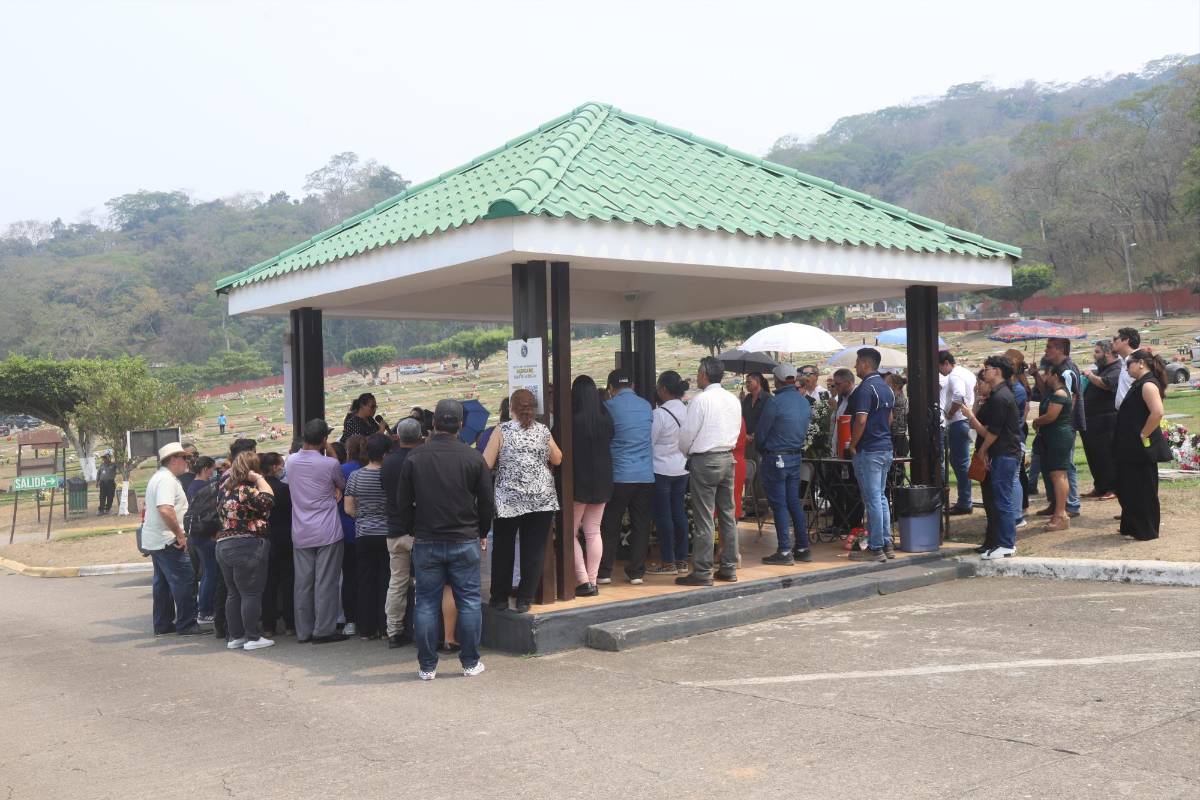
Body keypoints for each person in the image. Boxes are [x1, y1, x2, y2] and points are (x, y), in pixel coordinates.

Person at [397, 399, 494, 680]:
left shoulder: (415, 457)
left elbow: (402, 503)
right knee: (469, 601)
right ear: (461, 425)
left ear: (434, 424)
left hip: (427, 539)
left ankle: (427, 666)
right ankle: (470, 662)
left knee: (426, 603)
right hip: (465, 538)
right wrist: (482, 532)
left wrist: (413, 529)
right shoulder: (473, 457)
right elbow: (487, 502)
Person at [483, 389, 563, 613]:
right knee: (534, 549)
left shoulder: (502, 430)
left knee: (504, 548)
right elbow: (557, 458)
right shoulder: (542, 430)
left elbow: (486, 463)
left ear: (511, 408)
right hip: (541, 499)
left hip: (508, 499)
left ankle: (499, 598)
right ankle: (524, 599)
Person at [676, 356, 742, 585]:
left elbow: (686, 435)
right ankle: (729, 566)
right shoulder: (732, 399)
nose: (696, 376)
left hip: (705, 459)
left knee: (704, 517)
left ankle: (702, 571)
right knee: (727, 516)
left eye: (698, 372)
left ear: (704, 375)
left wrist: (688, 454)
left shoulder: (701, 400)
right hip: (727, 457)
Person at [288, 419, 348, 644]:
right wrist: (330, 449)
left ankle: (303, 631)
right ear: (324, 439)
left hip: (301, 530)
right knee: (326, 582)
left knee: (303, 584)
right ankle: (323, 630)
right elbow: (341, 483)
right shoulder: (329, 464)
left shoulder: (291, 462)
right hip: (327, 530)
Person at [141, 442, 205, 637]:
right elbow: (165, 509)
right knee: (184, 581)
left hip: (158, 539)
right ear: (173, 459)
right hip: (168, 539)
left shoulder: (160, 477)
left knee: (163, 585)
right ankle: (187, 623)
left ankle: (163, 624)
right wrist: (179, 534)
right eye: (184, 458)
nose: (187, 462)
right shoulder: (166, 480)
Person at [215, 450, 276, 650]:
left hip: (223, 544)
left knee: (233, 593)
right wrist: (258, 478)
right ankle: (253, 637)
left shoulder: (224, 489)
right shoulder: (247, 490)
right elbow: (268, 500)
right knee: (250, 592)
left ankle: (236, 636)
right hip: (246, 544)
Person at [598, 370, 654, 586]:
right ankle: (637, 572)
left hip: (619, 475)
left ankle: (605, 571)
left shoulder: (608, 407)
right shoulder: (646, 406)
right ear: (632, 385)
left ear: (611, 388)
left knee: (610, 523)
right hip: (645, 475)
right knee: (641, 524)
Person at [963, 356, 1022, 559]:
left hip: (1004, 453)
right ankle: (1002, 542)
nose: (985, 371)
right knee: (999, 500)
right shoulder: (999, 395)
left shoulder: (1001, 397)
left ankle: (1006, 544)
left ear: (997, 371)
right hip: (1002, 453)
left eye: (987, 368)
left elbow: (993, 432)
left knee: (1003, 501)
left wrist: (982, 450)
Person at [756, 363, 813, 565]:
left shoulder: (774, 402)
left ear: (777, 380)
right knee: (793, 502)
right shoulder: (803, 401)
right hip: (795, 456)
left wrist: (763, 449)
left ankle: (784, 550)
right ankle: (803, 547)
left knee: (779, 504)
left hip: (776, 457)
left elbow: (761, 434)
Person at [847, 348, 896, 563]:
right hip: (885, 447)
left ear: (866, 364)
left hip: (869, 449)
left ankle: (876, 547)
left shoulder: (865, 389)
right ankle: (886, 543)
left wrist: (853, 444)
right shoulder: (887, 388)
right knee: (881, 497)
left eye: (858, 363)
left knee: (873, 498)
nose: (855, 366)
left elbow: (860, 420)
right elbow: (890, 419)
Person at [1113, 349, 1168, 541]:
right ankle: (1132, 526)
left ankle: (1145, 529)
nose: (1127, 368)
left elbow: (1157, 412)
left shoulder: (1148, 385)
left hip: (1140, 446)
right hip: (1129, 446)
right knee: (1129, 486)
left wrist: (1143, 433)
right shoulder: (1139, 383)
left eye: (1129, 364)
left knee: (1142, 488)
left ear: (1141, 363)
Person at [345, 433, 393, 639]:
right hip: (387, 532)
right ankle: (385, 628)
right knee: (386, 580)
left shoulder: (356, 476)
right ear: (386, 453)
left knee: (365, 581)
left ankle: (366, 629)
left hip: (364, 533)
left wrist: (363, 516)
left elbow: (348, 508)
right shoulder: (390, 475)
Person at [570, 375, 614, 594]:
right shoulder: (605, 418)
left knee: (570, 533)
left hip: (578, 482)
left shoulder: (571, 420)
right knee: (593, 531)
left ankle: (583, 581)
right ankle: (594, 581)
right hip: (603, 480)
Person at [380, 418, 422, 647]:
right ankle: (420, 628)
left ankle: (394, 630)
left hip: (394, 530)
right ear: (419, 436)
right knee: (423, 581)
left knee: (397, 582)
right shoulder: (421, 458)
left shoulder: (388, 462)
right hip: (418, 530)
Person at [1035, 337, 1085, 520]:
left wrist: (1062, 420)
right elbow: (1044, 393)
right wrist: (1036, 375)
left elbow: (1071, 398)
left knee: (1064, 467)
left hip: (1063, 425)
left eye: (1049, 347)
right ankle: (1056, 503)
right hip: (1054, 427)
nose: (1046, 350)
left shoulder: (1068, 369)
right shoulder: (1054, 369)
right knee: (1052, 467)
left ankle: (1070, 504)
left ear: (1061, 349)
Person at [649, 371, 689, 576]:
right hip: (682, 468)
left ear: (663, 389)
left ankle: (667, 562)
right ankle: (682, 559)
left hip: (661, 470)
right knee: (679, 514)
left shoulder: (659, 414)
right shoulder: (687, 410)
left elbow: (650, 442)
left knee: (664, 516)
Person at [1031, 363, 1074, 531]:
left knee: (1059, 475)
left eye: (1046, 374)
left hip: (1058, 437)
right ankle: (1059, 512)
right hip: (1053, 437)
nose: (1044, 377)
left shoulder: (1060, 394)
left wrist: (1036, 421)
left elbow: (1051, 416)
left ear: (1055, 375)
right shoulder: (1054, 393)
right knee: (1057, 474)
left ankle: (1061, 514)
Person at [258, 452, 294, 637]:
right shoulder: (284, 488)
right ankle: (290, 624)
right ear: (273, 467)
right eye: (280, 465)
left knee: (268, 583)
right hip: (285, 536)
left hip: (265, 537)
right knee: (288, 580)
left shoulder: (257, 490)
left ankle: (268, 625)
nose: (282, 468)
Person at [1081, 340, 1121, 500]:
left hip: (1107, 422)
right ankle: (1100, 486)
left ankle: (1113, 488)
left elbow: (1107, 384)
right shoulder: (1101, 369)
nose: (1094, 355)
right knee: (1094, 456)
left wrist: (1090, 376)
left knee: (1107, 456)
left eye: (1097, 352)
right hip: (1092, 422)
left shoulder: (1117, 369)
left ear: (1108, 353)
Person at [939, 350, 976, 515]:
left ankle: (965, 501)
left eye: (939, 367)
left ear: (946, 363)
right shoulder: (966, 372)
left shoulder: (954, 375)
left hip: (958, 421)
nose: (940, 371)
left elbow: (959, 395)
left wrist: (950, 413)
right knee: (959, 462)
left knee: (960, 464)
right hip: (965, 421)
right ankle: (965, 499)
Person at [337, 435, 366, 636]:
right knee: (368, 576)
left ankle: (350, 620)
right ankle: (368, 618)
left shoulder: (342, 470)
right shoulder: (370, 469)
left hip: (346, 528)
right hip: (369, 528)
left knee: (349, 576)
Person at [1004, 349, 1031, 528]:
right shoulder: (1014, 387)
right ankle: (1017, 510)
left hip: (1014, 436)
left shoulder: (1017, 389)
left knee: (1015, 476)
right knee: (1016, 474)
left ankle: (1017, 513)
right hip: (1014, 433)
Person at [1111, 327, 1141, 409]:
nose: (1112, 342)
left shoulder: (1139, 362)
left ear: (1126, 340)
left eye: (1115, 339)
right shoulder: (1124, 361)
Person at [741, 372, 768, 443]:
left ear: (758, 382)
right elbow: (742, 417)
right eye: (746, 382)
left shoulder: (768, 398)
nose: (747, 385)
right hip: (747, 439)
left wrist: (755, 435)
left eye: (749, 382)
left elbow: (768, 421)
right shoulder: (747, 398)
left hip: (763, 440)